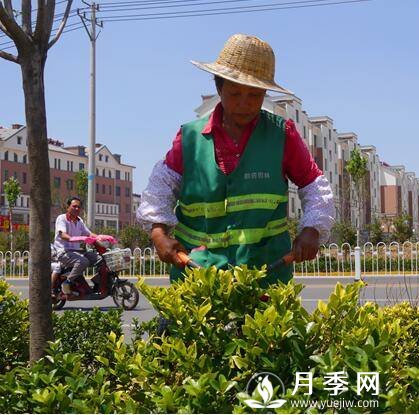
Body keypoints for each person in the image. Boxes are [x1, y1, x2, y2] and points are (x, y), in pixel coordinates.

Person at [137, 33, 335, 284]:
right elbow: (159, 189)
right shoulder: (189, 138)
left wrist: (312, 229)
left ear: (265, 93)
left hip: (265, 274)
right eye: (234, 93)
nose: (244, 104)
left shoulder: (282, 134)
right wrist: (158, 233)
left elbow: (314, 185)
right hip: (197, 273)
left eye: (254, 95)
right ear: (219, 87)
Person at [54, 197, 99, 295]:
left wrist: (101, 238)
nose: (77, 209)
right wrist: (71, 238)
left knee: (100, 258)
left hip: (77, 251)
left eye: (79, 207)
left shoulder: (79, 221)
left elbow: (89, 234)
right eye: (74, 206)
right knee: (83, 261)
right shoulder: (62, 218)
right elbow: (62, 234)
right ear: (68, 207)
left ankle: (96, 281)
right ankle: (67, 282)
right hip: (64, 252)